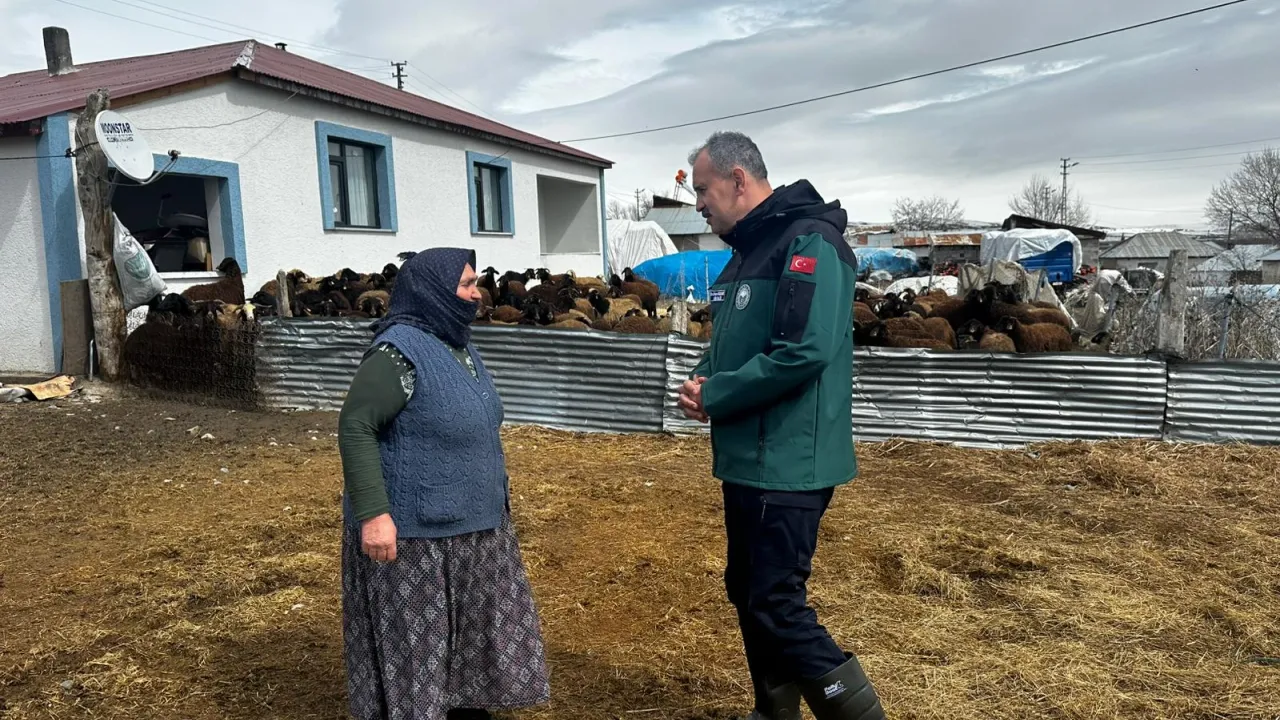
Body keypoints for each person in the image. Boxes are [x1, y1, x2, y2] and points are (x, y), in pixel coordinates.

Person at [677, 132, 885, 720]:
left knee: (775, 601)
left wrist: (719, 394)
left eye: (703, 190)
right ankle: (774, 712)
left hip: (788, 460)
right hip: (748, 457)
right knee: (748, 590)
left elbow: (804, 351)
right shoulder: (748, 250)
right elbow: (735, 343)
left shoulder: (809, 242)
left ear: (738, 179)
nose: (699, 204)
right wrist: (702, 378)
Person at [337, 248, 550, 720]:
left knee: (470, 647)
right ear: (433, 291)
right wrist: (374, 514)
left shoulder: (457, 343)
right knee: (419, 651)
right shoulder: (397, 352)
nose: (477, 294)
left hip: (475, 529)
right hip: (417, 537)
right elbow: (356, 426)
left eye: (475, 284)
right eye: (467, 285)